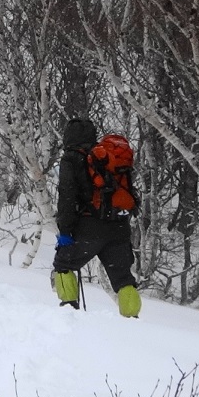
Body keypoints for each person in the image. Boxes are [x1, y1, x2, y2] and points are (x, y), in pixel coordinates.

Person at [50, 117, 141, 317]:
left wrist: (65, 230)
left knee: (63, 265)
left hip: (90, 227)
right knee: (123, 278)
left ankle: (69, 313)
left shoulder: (71, 159)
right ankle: (133, 321)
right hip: (119, 225)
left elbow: (67, 195)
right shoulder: (103, 159)